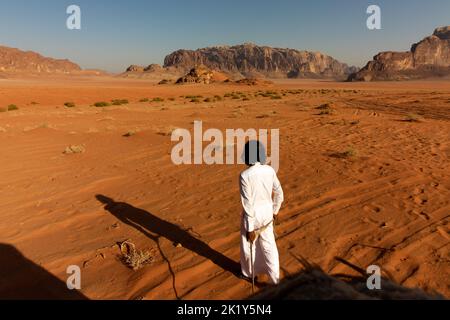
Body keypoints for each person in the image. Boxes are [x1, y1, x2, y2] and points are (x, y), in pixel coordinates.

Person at [239, 140, 284, 285]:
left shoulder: (245, 175)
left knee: (248, 246)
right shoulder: (270, 170)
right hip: (267, 214)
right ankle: (275, 279)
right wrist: (275, 211)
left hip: (253, 216)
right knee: (269, 246)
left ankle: (248, 273)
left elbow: (248, 204)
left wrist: (250, 228)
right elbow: (279, 193)